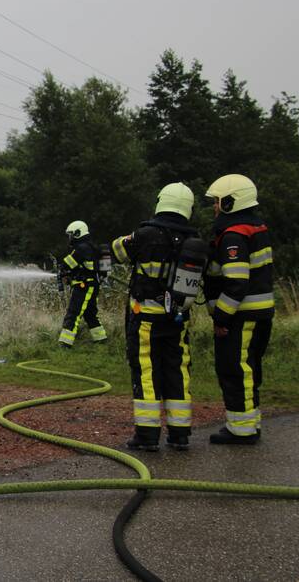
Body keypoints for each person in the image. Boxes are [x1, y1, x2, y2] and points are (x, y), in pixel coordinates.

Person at [110, 183, 199, 451]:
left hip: (146, 319)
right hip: (178, 319)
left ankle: (147, 435)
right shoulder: (193, 240)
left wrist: (132, 236)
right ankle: (180, 433)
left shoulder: (145, 234)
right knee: (177, 370)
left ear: (162, 202)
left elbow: (117, 251)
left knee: (147, 371)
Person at [202, 174, 274, 445]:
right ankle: (250, 422)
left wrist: (221, 318)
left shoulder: (234, 236)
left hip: (242, 315)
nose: (215, 207)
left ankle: (241, 430)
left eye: (217, 201)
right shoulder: (256, 228)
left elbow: (236, 283)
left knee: (235, 369)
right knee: (249, 368)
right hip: (260, 313)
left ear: (231, 202)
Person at [57, 221, 107, 348]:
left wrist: (62, 271)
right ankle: (101, 339)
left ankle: (65, 343)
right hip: (91, 285)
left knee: (73, 313)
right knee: (89, 314)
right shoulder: (91, 246)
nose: (69, 238)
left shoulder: (81, 248)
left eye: (71, 235)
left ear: (78, 233)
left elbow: (67, 264)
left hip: (84, 286)